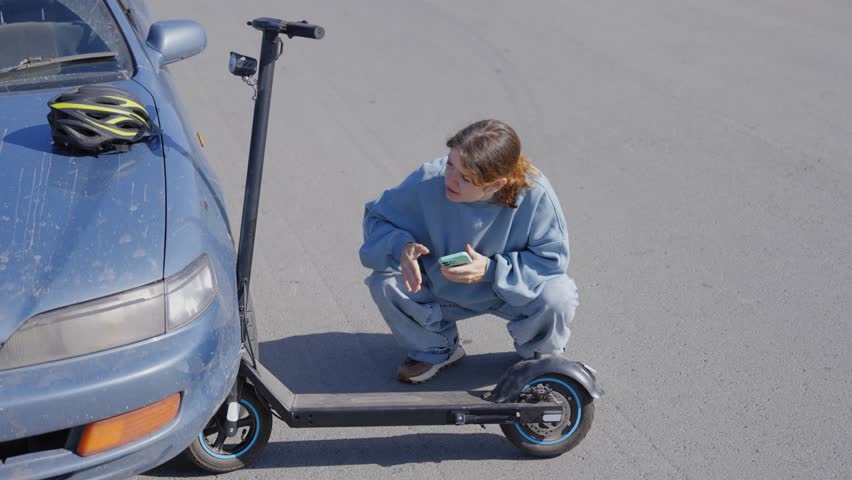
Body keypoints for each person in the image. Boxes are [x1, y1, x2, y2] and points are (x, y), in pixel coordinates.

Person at [359, 119, 578, 384]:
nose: (450, 179)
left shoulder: (535, 193)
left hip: (510, 291)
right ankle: (435, 348)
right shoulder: (429, 179)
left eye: (465, 178)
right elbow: (378, 218)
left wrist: (490, 269)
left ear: (496, 185)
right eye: (451, 164)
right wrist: (401, 247)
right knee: (386, 282)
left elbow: (551, 260)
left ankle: (539, 357)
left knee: (558, 294)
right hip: (440, 287)